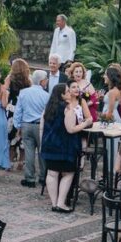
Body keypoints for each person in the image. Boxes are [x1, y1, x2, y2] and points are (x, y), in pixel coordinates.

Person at [41, 83, 92, 212]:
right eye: (68, 91)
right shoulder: (68, 109)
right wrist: (85, 123)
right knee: (68, 173)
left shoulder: (48, 109)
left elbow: (41, 128)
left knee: (52, 173)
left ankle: (53, 204)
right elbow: (71, 129)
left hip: (49, 145)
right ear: (62, 95)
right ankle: (60, 203)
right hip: (64, 146)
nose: (70, 93)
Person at [13, 70, 50, 188]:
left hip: (26, 124)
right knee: (42, 152)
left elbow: (18, 111)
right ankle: (43, 177)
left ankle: (30, 178)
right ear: (41, 81)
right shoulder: (46, 95)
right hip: (41, 125)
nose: (47, 81)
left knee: (29, 152)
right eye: (46, 79)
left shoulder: (23, 93)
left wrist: (17, 125)